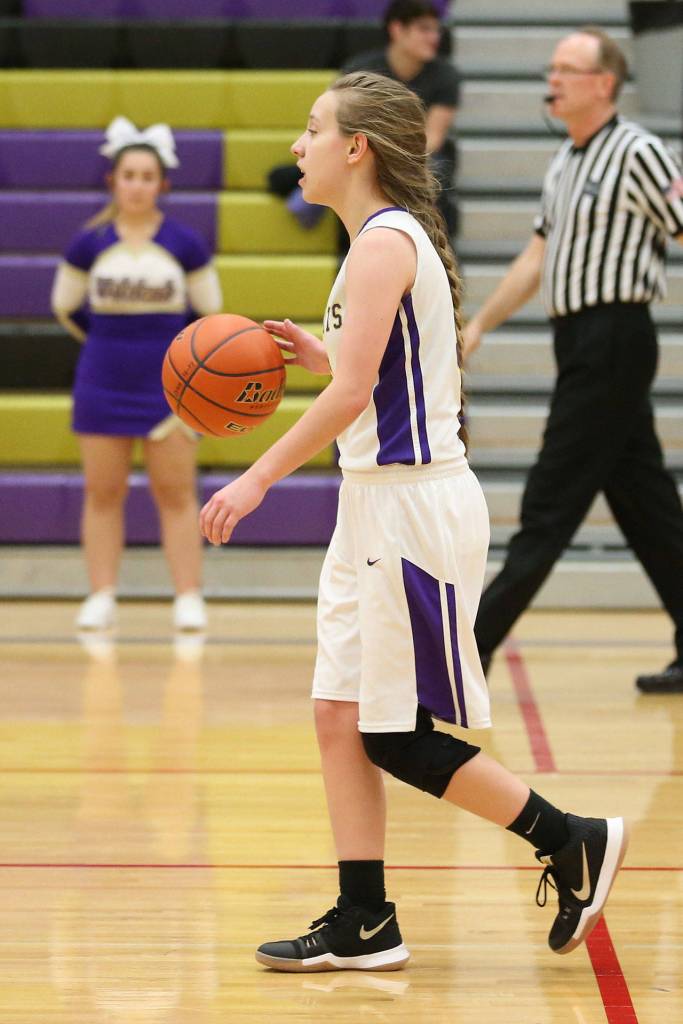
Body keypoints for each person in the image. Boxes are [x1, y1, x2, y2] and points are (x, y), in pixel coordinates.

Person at [200, 71, 629, 972]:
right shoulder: (376, 242)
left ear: (356, 148)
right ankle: (366, 918)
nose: (296, 146)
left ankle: (570, 838)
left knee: (391, 732)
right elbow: (374, 374)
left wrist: (256, 479)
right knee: (337, 713)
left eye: (311, 130)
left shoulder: (379, 246)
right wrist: (326, 354)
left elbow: (357, 394)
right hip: (376, 506)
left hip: (409, 508)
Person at [462, 27, 683, 695]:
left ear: (603, 83)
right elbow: (534, 260)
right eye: (549, 68)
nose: (549, 80)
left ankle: (468, 652)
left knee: (548, 502)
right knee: (648, 508)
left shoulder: (639, 152)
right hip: (579, 344)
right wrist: (475, 328)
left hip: (614, 339)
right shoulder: (564, 160)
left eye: (565, 69)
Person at [51, 117, 223, 633]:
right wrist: (111, 342)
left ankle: (188, 597)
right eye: (129, 175)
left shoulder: (185, 243)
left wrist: (177, 363)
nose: (138, 185)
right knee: (102, 493)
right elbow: (67, 307)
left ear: (162, 184)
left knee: (176, 493)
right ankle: (101, 594)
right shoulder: (89, 242)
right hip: (102, 379)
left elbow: (208, 316)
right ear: (113, 180)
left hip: (169, 387)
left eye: (148, 176)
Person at [268, 0, 461, 240]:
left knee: (433, 176)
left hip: (408, 155)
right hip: (357, 149)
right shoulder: (361, 69)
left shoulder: (445, 76)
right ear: (397, 29)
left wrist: (381, 156)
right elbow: (331, 122)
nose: (434, 37)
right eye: (424, 29)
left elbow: (431, 139)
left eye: (436, 29)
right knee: (280, 177)